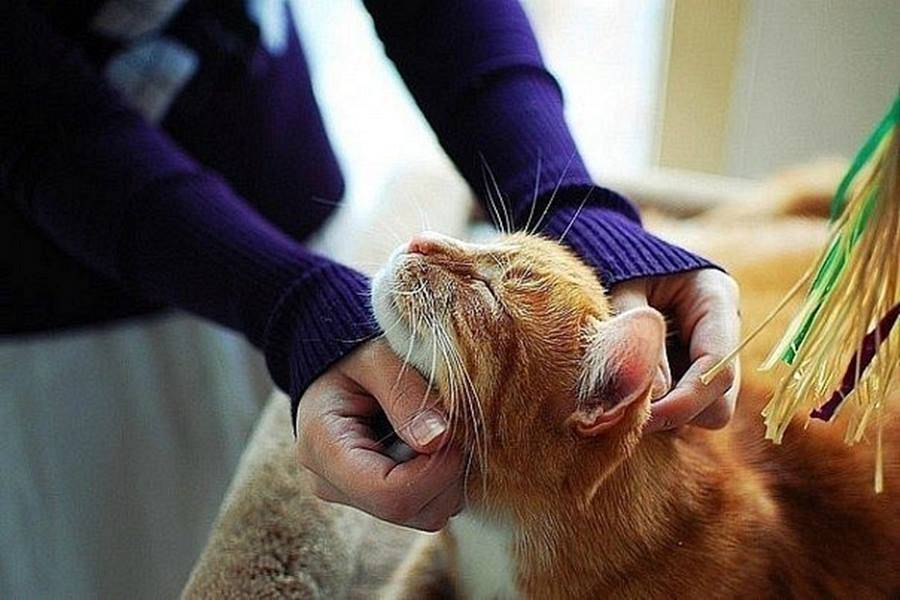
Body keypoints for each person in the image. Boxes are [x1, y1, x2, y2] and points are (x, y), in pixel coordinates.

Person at [1, 0, 739, 540]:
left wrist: (572, 204)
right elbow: (37, 120)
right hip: (55, 305)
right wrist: (290, 303)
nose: (423, 242)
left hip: (276, 165)